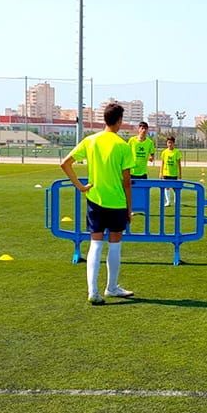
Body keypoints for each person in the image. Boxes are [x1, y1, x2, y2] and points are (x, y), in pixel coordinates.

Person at [61, 103, 136, 304]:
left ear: (105, 119)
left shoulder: (90, 141)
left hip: (95, 200)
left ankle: (93, 292)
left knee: (95, 244)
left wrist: (80, 186)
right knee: (115, 245)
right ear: (119, 120)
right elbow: (127, 181)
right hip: (117, 202)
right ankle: (111, 287)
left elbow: (65, 163)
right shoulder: (122, 145)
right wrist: (130, 208)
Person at [160, 136, 182, 206]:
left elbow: (179, 164)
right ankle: (168, 201)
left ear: (174, 143)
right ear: (167, 143)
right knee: (167, 187)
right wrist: (161, 172)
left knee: (175, 188)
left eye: (171, 143)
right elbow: (162, 163)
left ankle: (176, 201)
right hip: (166, 173)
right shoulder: (164, 152)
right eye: (168, 143)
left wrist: (180, 174)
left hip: (174, 174)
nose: (170, 144)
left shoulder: (177, 152)